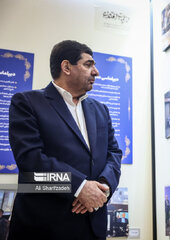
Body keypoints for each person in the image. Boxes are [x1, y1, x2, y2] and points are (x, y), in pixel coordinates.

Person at [8, 40, 122, 240]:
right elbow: (31, 163)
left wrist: (102, 186)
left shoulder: (101, 110)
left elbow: (114, 153)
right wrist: (79, 187)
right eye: (88, 64)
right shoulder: (27, 102)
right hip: (44, 227)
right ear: (66, 67)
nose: (96, 72)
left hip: (93, 226)